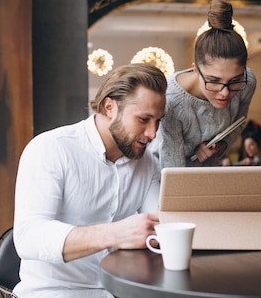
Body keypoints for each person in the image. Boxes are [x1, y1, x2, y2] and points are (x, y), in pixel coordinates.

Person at [12, 63, 167, 298]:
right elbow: (28, 237)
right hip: (53, 293)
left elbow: (164, 225)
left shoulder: (145, 164)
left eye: (158, 121)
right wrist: (115, 233)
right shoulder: (51, 149)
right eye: (144, 119)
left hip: (119, 291)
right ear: (109, 107)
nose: (152, 133)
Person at [149, 0, 256, 169]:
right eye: (214, 81)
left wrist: (222, 146)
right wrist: (192, 150)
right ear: (196, 70)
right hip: (159, 174)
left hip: (206, 172)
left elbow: (239, 122)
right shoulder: (171, 100)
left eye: (235, 81)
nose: (225, 93)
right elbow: (172, 168)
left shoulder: (247, 82)